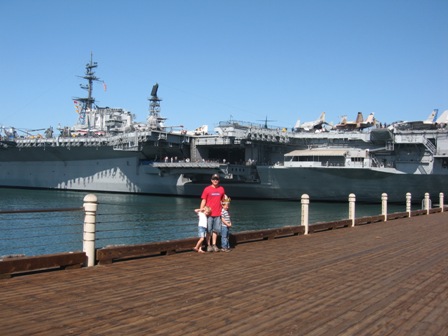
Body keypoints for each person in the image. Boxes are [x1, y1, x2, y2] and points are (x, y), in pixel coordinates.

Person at [200, 173, 225, 252]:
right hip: (209, 214)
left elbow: (223, 200)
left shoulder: (221, 189)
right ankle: (208, 245)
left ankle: (214, 244)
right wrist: (201, 210)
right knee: (208, 230)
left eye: (217, 179)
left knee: (216, 230)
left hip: (218, 213)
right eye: (214, 179)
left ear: (219, 180)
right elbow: (203, 200)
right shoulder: (207, 189)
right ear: (211, 180)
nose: (215, 180)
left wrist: (225, 208)